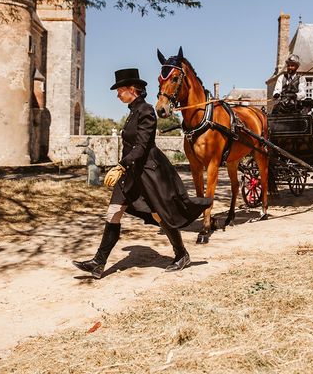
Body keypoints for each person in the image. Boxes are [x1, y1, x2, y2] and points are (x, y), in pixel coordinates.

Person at [73, 68, 212, 279]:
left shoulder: (146, 111)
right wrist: (124, 168)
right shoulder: (132, 112)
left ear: (132, 89)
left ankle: (181, 254)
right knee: (113, 213)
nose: (117, 94)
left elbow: (142, 146)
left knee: (159, 215)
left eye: (120, 90)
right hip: (130, 174)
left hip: (147, 175)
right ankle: (98, 263)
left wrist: (120, 166)